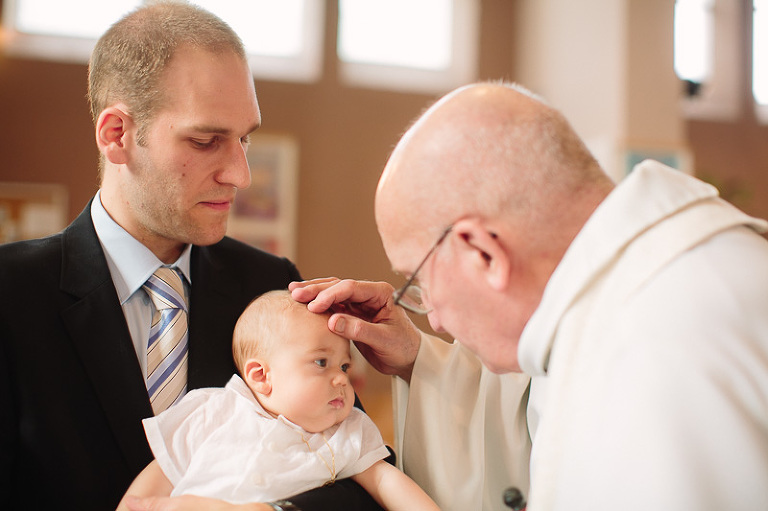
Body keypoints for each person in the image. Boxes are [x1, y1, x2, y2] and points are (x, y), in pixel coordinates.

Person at [290, 82, 768, 511]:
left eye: (421, 283)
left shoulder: (665, 339)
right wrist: (418, 360)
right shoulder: (621, 294)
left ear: (482, 251)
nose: (432, 318)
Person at [0, 3, 383, 510]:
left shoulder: (271, 286)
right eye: (207, 141)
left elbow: (354, 472)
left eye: (244, 138)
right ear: (117, 135)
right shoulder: (11, 294)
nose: (241, 175)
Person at [117, 290, 439, 511]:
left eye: (344, 366)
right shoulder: (214, 411)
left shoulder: (344, 433)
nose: (342, 378)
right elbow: (161, 473)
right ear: (261, 376)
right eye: (321, 363)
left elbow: (386, 483)